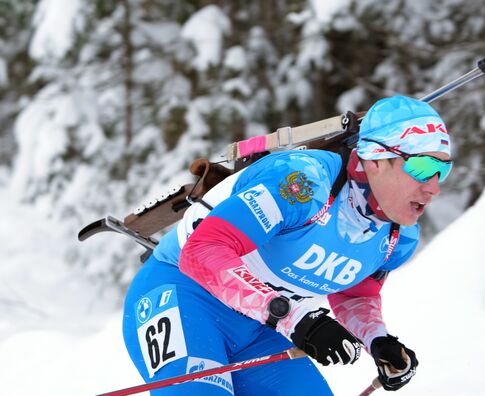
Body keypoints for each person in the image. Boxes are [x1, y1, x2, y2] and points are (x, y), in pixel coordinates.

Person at [122, 95, 453, 395]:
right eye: (423, 167)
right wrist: (295, 318)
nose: (434, 187)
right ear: (376, 159)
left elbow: (354, 293)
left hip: (256, 325)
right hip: (183, 295)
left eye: (444, 169)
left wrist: (377, 341)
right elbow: (202, 251)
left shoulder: (398, 237)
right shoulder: (302, 183)